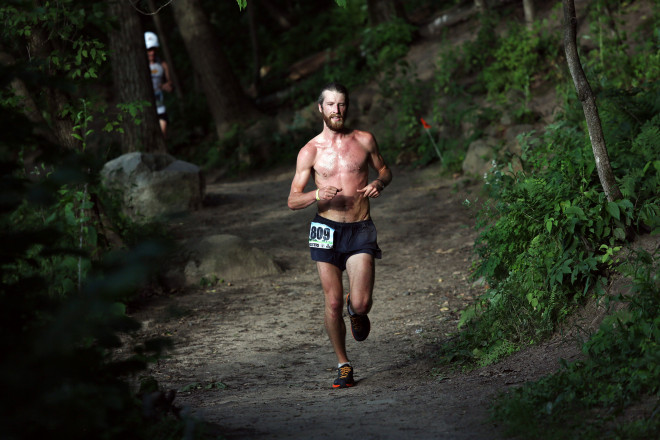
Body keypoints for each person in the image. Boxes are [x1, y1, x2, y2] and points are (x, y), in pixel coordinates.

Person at [287, 82, 392, 389]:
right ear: (320, 109)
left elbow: (384, 170)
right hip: (324, 229)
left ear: (348, 107)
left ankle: (354, 308)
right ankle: (343, 364)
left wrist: (380, 184)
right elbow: (293, 200)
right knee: (331, 302)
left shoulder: (364, 140)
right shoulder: (309, 151)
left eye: (342, 104)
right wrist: (317, 193)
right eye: (330, 105)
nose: (337, 110)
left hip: (360, 227)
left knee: (360, 303)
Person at [144, 31, 173, 138]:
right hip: (146, 108)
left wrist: (166, 86)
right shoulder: (141, 66)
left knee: (162, 135)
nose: (152, 53)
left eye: (153, 49)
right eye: (149, 50)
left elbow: (169, 84)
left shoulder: (163, 65)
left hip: (160, 107)